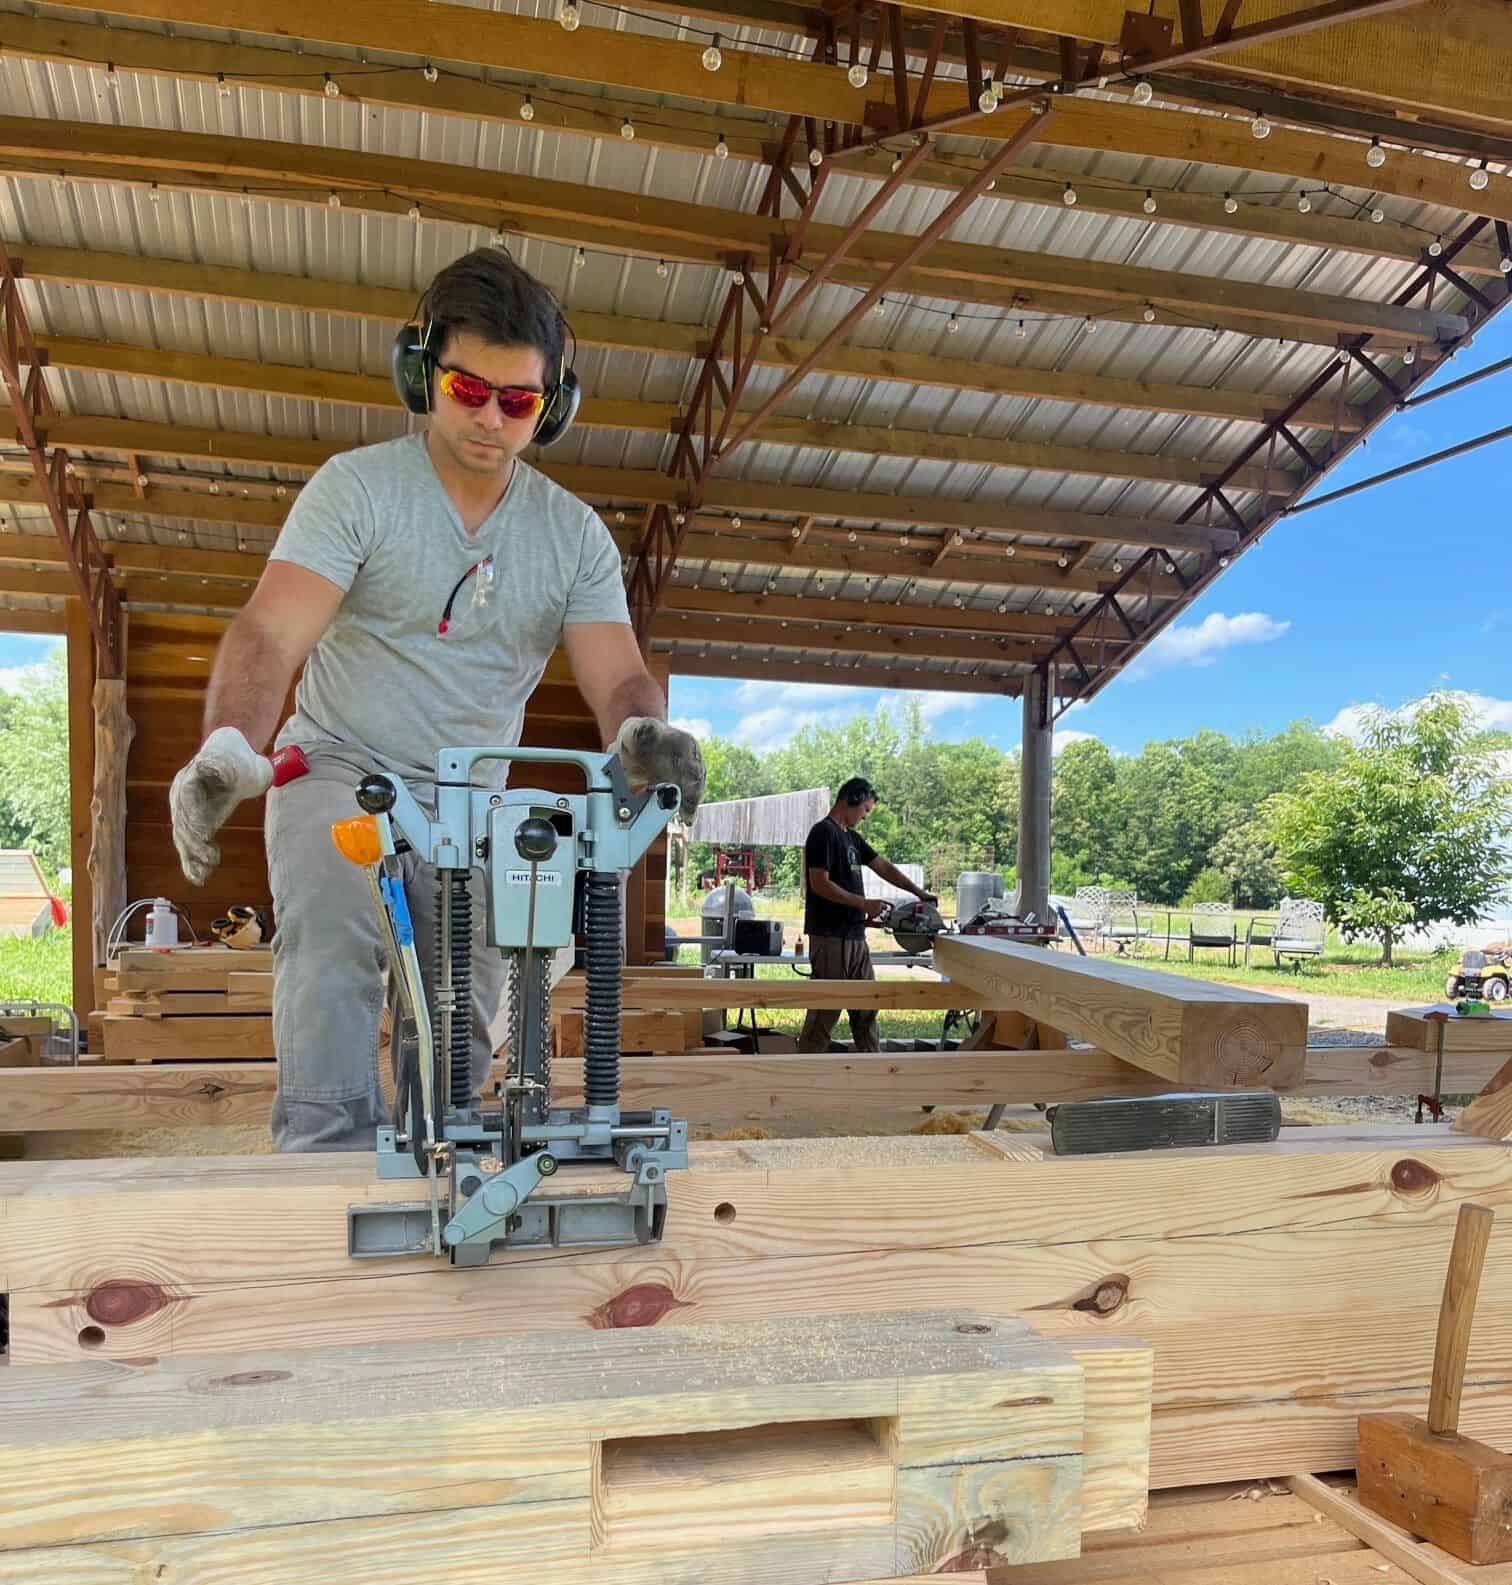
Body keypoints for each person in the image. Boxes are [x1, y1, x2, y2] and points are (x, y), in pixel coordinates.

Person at [166, 246, 704, 1152]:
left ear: (553, 407)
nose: (492, 418)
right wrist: (229, 741)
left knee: (470, 998)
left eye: (519, 400)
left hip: (472, 798)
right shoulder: (359, 491)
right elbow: (270, 632)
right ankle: (324, 1158)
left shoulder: (572, 537)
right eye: (469, 389)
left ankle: (443, 1148)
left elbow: (617, 675)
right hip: (339, 759)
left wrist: (643, 734)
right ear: (423, 375)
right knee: (334, 935)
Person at [796, 778, 935, 1053]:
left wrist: (919, 893)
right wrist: (863, 903)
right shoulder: (823, 832)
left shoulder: (852, 838)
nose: (865, 816)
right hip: (830, 938)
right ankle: (801, 1079)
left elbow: (883, 867)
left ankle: (875, 1074)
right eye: (865, 810)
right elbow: (819, 883)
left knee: (867, 1009)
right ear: (852, 798)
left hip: (855, 938)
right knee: (825, 1013)